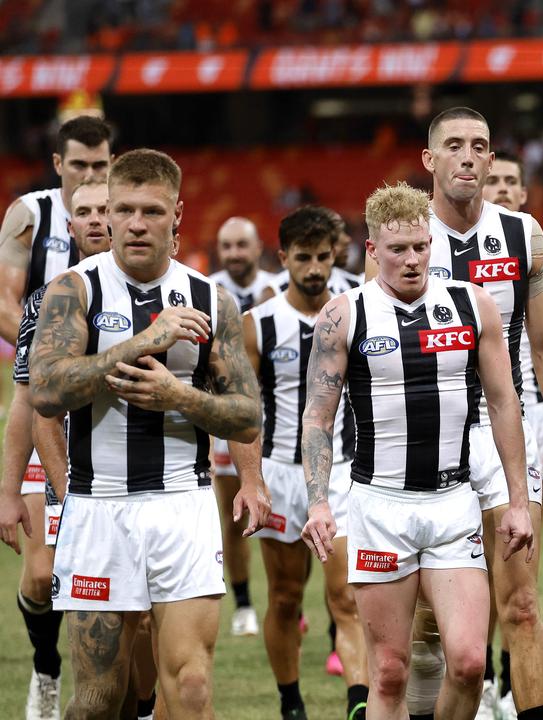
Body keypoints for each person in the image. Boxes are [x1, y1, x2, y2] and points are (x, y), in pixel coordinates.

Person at [28, 148, 269, 718]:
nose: (138, 224)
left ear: (178, 215)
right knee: (97, 701)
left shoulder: (212, 300)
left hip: (182, 508)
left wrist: (179, 396)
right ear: (107, 213)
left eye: (153, 212)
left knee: (190, 688)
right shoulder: (75, 290)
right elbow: (43, 391)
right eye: (126, 210)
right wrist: (140, 343)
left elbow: (248, 415)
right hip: (98, 510)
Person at [297, 181, 533, 719]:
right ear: (373, 250)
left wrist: (518, 499)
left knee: (470, 662)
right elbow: (318, 416)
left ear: (433, 244)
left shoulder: (471, 303)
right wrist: (318, 501)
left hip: (453, 503)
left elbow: (503, 402)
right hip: (380, 507)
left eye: (420, 247)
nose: (411, 260)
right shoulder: (342, 315)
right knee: (389, 670)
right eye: (397, 249)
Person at [406, 107, 543, 720]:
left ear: (492, 160)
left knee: (522, 605)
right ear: (429, 160)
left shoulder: (522, 236)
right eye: (452, 145)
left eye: (478, 146)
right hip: (421, 441)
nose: (466, 156)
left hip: (501, 433)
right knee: (429, 625)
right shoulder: (402, 234)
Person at [229, 206, 369, 720]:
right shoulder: (257, 326)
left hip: (346, 473)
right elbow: (245, 410)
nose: (314, 268)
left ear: (336, 256)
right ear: (282, 257)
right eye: (303, 258)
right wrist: (253, 479)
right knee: (286, 596)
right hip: (282, 475)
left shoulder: (358, 311)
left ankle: (359, 702)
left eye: (323, 257)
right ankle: (291, 703)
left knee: (348, 597)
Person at [0, 115, 112, 720]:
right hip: (52, 426)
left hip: (120, 443)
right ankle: (46, 669)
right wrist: (51, 354)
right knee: (43, 579)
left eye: (102, 169)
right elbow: (26, 395)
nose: (92, 182)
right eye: (81, 168)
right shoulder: (31, 218)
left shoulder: (147, 257)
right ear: (58, 167)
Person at [478, 148, 543, 718]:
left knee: (517, 582)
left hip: (525, 417)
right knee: (448, 590)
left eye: (513, 181)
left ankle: (511, 688)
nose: (503, 188)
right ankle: (482, 675)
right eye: (497, 180)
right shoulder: (426, 243)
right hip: (448, 424)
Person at [209, 215, 273, 637]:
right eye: (226, 246)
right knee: (233, 513)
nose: (233, 253)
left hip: (280, 420)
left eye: (240, 245)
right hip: (224, 419)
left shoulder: (278, 289)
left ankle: (288, 602)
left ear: (257, 247)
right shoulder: (205, 291)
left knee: (287, 518)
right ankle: (245, 604)